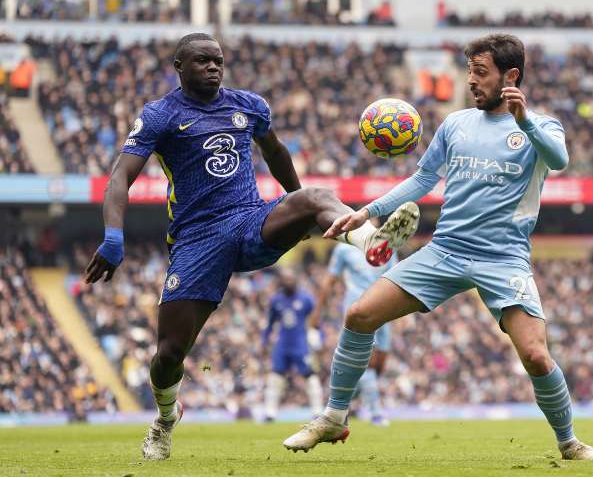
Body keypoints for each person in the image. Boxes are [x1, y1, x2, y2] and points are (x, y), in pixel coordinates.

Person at [83, 32, 420, 461]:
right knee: (168, 355)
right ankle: (166, 418)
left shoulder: (248, 105)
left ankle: (369, 239)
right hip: (197, 239)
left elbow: (276, 152)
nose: (213, 68)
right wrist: (113, 236)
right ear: (179, 66)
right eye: (203, 61)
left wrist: (301, 212)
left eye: (218, 61)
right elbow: (119, 178)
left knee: (316, 195)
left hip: (250, 220)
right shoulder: (160, 115)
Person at [284, 33, 593, 461]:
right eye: (469, 71)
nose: (470, 81)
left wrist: (524, 119)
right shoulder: (455, 124)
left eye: (480, 72)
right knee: (360, 314)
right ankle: (333, 418)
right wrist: (367, 212)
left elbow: (560, 159)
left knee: (535, 355)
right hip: (446, 250)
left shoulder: (542, 125)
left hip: (503, 257)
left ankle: (569, 443)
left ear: (510, 76)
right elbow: (422, 180)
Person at [308, 237, 398, 426]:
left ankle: (339, 405)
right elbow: (330, 280)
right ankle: (376, 413)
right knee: (366, 363)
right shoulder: (344, 249)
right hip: (358, 308)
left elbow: (397, 277)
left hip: (385, 308)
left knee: (379, 365)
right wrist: (317, 311)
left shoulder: (389, 246)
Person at [261, 268, 323, 421]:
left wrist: (319, 336)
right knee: (275, 378)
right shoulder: (276, 300)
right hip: (282, 345)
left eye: (291, 278)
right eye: (285, 279)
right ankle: (270, 413)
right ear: (281, 281)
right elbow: (270, 323)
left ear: (296, 280)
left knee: (310, 376)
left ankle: (317, 411)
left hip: (300, 345)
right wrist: (264, 340)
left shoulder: (306, 299)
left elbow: (316, 320)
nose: (288, 281)